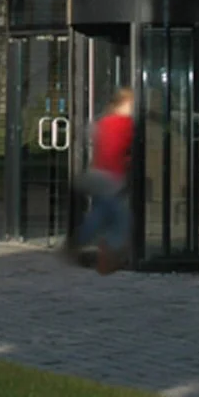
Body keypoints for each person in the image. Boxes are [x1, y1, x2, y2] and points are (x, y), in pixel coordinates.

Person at [68, 88, 134, 275]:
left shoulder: (104, 121)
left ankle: (79, 242)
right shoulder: (125, 124)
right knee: (122, 219)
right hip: (112, 178)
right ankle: (107, 257)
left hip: (99, 175)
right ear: (122, 104)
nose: (133, 108)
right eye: (131, 104)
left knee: (100, 214)